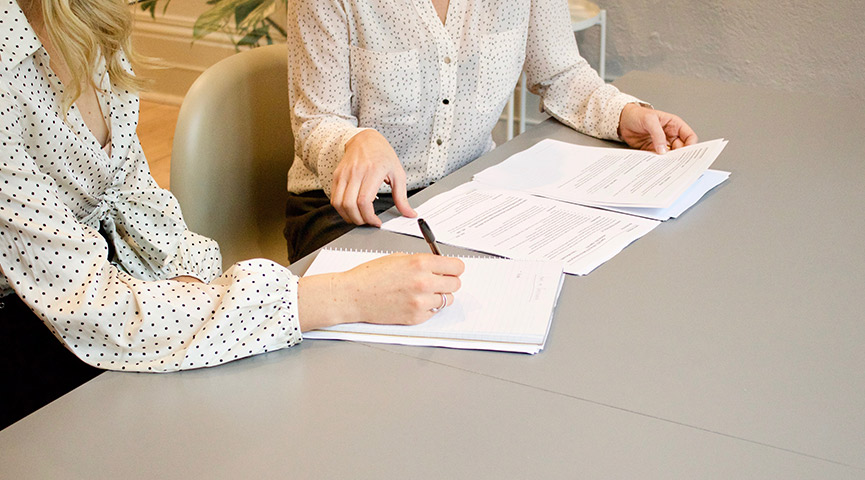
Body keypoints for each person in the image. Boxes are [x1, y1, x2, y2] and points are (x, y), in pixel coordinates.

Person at [0, 0, 464, 430]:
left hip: (105, 301)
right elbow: (92, 307)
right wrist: (344, 297)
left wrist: (190, 286)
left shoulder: (86, 23)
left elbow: (139, 204)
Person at [285, 0, 699, 262]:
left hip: (465, 197)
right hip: (347, 209)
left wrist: (622, 113)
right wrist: (355, 141)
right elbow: (315, 120)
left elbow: (560, 73)